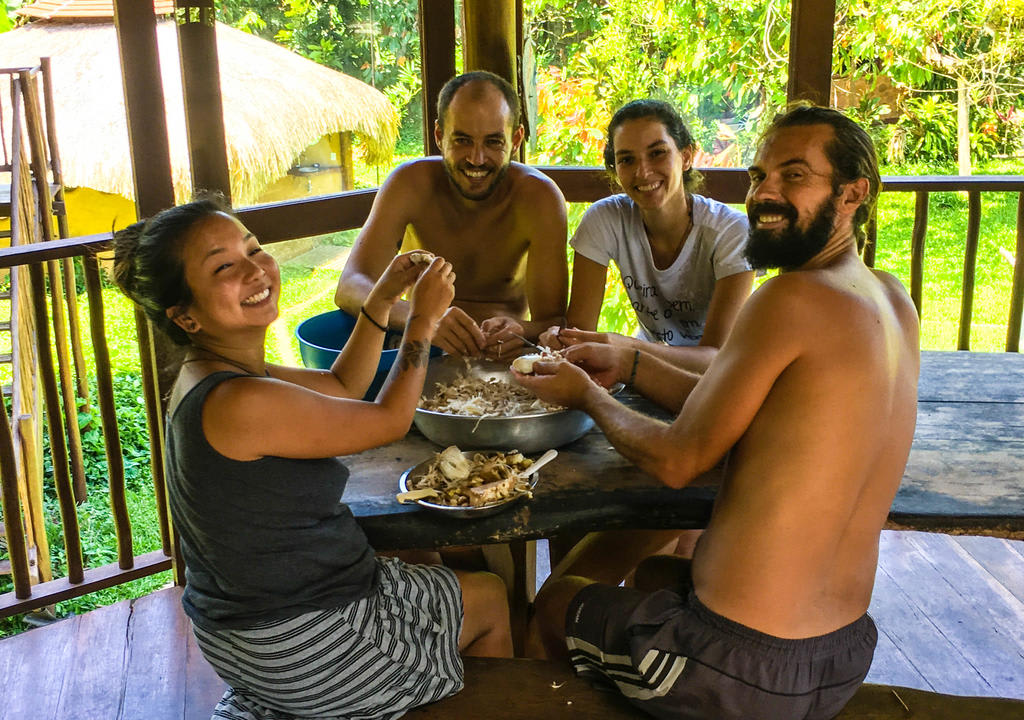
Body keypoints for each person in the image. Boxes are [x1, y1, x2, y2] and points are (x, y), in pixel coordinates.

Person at [516, 105, 920, 719]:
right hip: (838, 655)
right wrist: (629, 367)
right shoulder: (893, 299)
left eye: (794, 176)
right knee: (654, 574)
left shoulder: (790, 296)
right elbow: (746, 411)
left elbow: (679, 459)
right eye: (759, 177)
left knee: (556, 602)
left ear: (852, 192)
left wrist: (587, 395)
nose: (766, 194)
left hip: (737, 667)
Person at [112, 196, 513, 720]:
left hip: (245, 631)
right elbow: (389, 421)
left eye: (253, 249)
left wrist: (382, 301)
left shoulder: (213, 375)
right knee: (488, 597)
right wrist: (422, 323)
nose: (257, 269)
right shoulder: (240, 401)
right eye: (225, 266)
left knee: (426, 563)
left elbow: (342, 384)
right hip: (296, 643)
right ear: (184, 316)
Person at [336, 70, 568, 359]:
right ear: (439, 136)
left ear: (516, 139)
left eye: (494, 142)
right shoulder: (409, 183)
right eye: (462, 140)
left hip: (497, 359)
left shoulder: (539, 198)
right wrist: (422, 319)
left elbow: (554, 323)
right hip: (416, 349)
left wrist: (521, 331)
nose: (476, 159)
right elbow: (349, 287)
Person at [539, 100, 753, 375]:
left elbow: (715, 359)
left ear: (686, 156)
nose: (643, 172)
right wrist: (560, 339)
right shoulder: (606, 219)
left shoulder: (730, 231)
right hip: (644, 371)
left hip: (719, 383)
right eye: (627, 160)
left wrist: (621, 347)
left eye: (657, 153)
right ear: (615, 170)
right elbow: (579, 331)